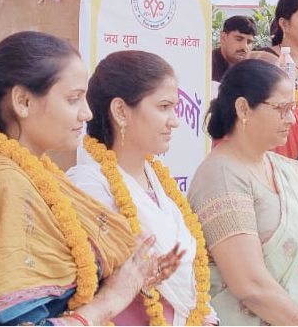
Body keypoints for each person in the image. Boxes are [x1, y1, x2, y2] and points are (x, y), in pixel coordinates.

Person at [0, 31, 181, 325]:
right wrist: (110, 299)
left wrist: (134, 276)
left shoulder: (38, 173)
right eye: (73, 99)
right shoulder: (5, 183)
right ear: (23, 101)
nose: (87, 113)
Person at [66, 50, 218, 325]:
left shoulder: (159, 183)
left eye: (174, 107)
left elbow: (189, 280)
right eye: (163, 107)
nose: (175, 120)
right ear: (121, 111)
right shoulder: (89, 186)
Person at [187, 59, 298, 325]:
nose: (292, 119)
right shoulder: (222, 175)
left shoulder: (290, 170)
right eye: (281, 109)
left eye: (292, 108)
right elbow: (250, 285)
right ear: (243, 108)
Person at [213, 15, 256, 82]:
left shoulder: (251, 70)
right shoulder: (206, 66)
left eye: (249, 42)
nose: (244, 47)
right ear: (223, 37)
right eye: (239, 39)